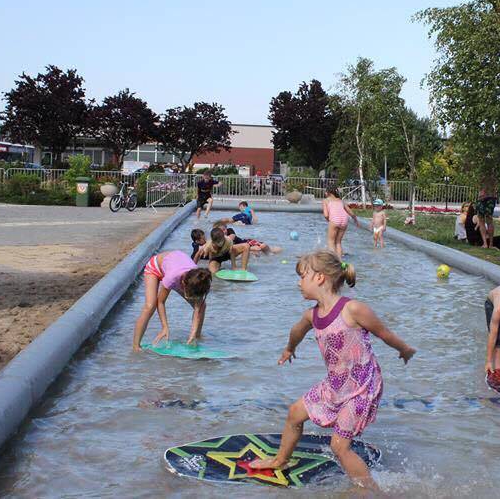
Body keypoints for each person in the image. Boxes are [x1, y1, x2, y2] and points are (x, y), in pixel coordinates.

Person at [249, 250, 416, 490]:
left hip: (361, 387)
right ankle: (280, 460)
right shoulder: (312, 315)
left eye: (302, 276)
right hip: (336, 384)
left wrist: (405, 349)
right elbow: (296, 331)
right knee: (295, 413)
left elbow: (384, 333)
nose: (298, 282)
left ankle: (370, 491)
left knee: (340, 447)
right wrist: (289, 349)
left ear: (319, 278)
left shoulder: (352, 309)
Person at [131, 251, 213, 351]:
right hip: (155, 267)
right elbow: (160, 302)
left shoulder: (199, 280)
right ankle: (136, 346)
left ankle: (195, 338)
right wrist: (165, 327)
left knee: (202, 305)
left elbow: (198, 307)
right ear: (183, 284)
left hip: (176, 266)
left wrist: (193, 332)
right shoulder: (172, 278)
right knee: (150, 306)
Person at [322, 186, 360, 257]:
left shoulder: (326, 200)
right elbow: (350, 212)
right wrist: (356, 220)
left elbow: (326, 215)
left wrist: (329, 221)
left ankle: (333, 261)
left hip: (334, 220)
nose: (324, 193)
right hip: (344, 221)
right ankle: (340, 261)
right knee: (338, 242)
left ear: (328, 193)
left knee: (331, 242)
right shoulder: (340, 200)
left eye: (325, 191)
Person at [475, 177, 497, 248]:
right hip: (485, 197)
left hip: (489, 197)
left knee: (488, 221)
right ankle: (486, 243)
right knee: (483, 221)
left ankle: (489, 244)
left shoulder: (490, 173)